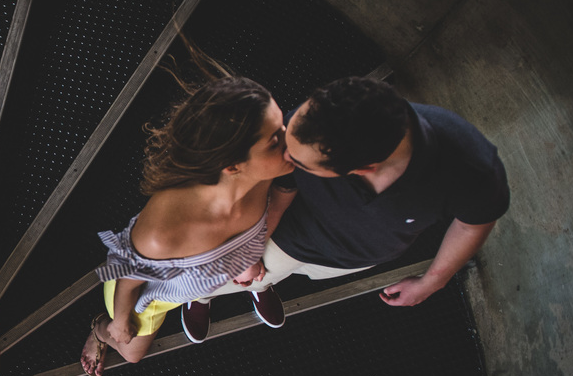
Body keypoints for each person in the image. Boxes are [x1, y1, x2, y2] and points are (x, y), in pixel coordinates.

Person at [198, 76, 510, 314]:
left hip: (351, 260)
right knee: (235, 278)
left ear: (362, 169)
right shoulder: (310, 123)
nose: (283, 158)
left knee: (274, 278)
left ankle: (263, 286)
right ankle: (202, 297)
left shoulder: (471, 170)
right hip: (290, 238)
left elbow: (473, 223)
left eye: (298, 163)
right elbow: (279, 185)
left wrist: (432, 282)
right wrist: (252, 249)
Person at [79, 76, 294, 376]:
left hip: (190, 282)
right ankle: (100, 329)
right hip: (150, 296)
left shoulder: (264, 174)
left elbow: (265, 217)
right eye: (275, 140)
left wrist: (247, 257)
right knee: (132, 354)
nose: (290, 137)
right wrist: (120, 322)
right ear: (233, 166)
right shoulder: (161, 235)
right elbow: (128, 282)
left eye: (282, 125)